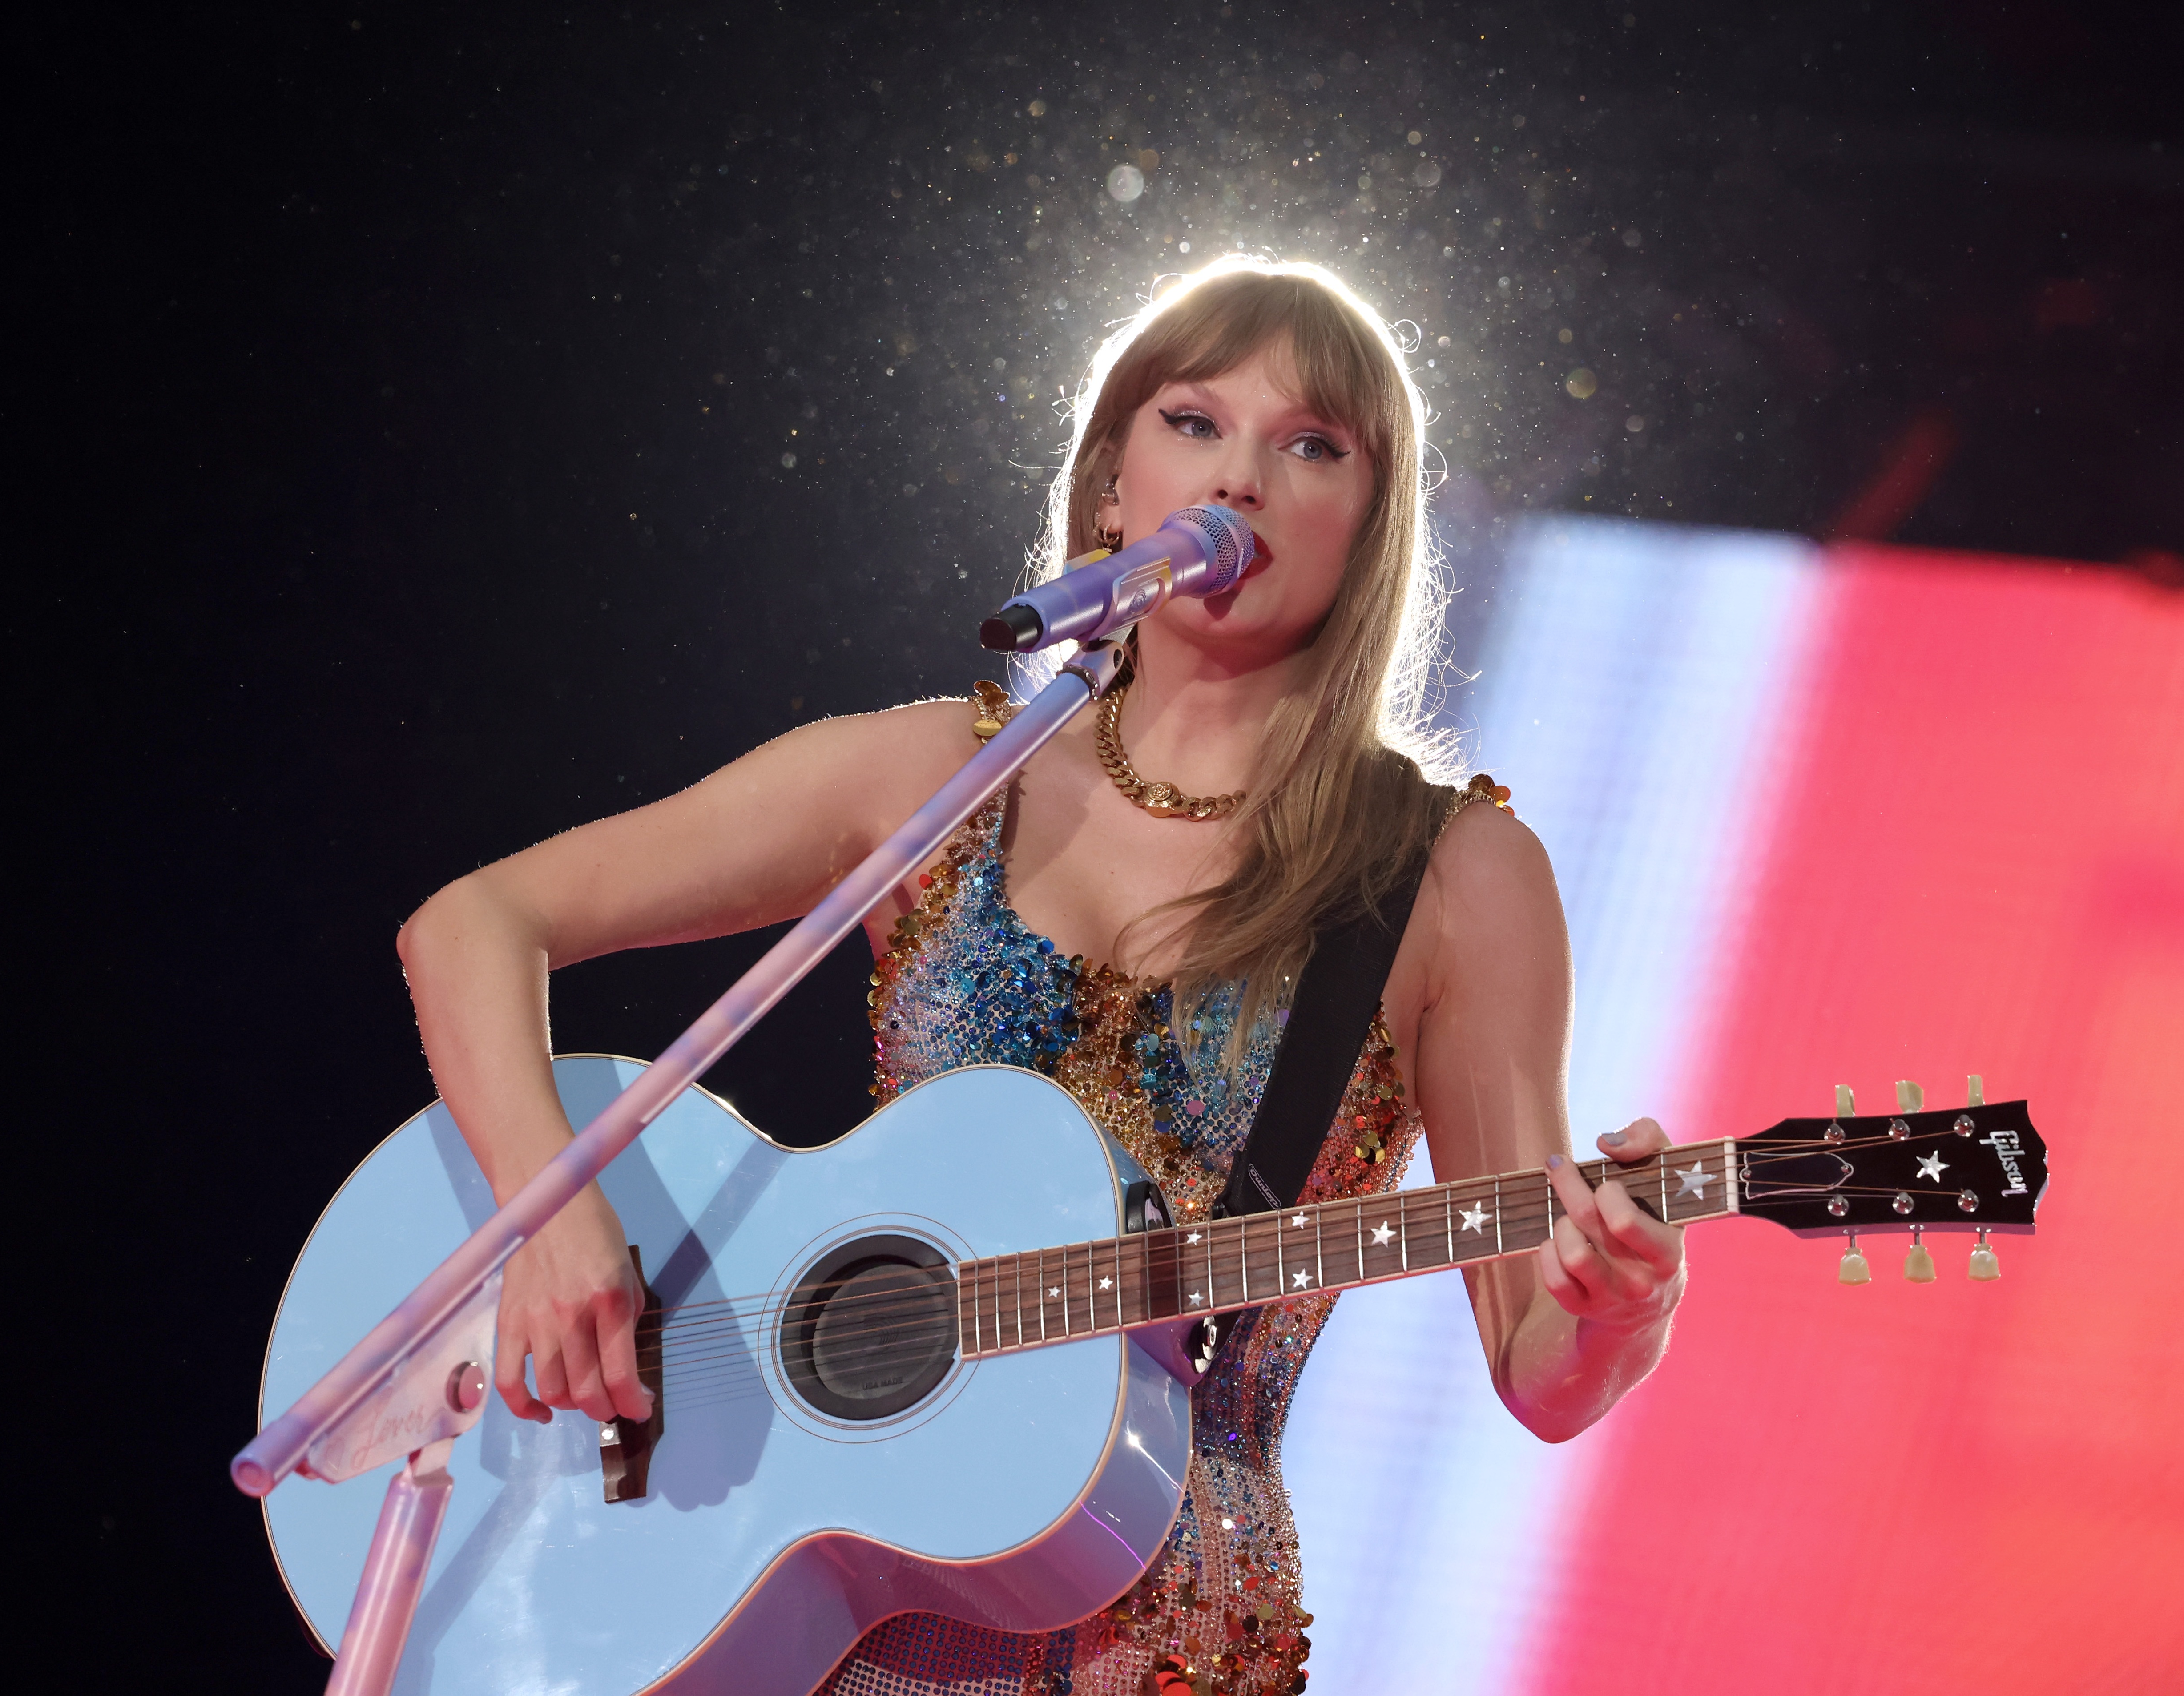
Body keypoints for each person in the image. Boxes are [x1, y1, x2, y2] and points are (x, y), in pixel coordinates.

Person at [395, 257, 1688, 1696]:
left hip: (1148, 1630)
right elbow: (472, 921)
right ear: (1111, 489)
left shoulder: (1449, 873)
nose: (1245, 477)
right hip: (790, 1583)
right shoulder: (934, 777)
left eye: (1312, 445)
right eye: (1197, 421)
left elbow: (1537, 1362)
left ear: (1367, 530)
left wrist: (1615, 1309)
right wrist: (550, 1218)